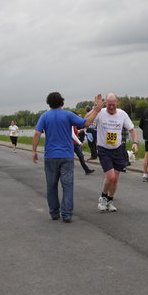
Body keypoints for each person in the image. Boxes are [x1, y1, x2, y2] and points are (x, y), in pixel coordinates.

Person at [32, 92, 102, 223]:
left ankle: (54, 213)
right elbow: (86, 123)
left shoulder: (44, 116)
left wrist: (34, 151)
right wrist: (96, 110)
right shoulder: (68, 115)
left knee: (51, 186)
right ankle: (67, 214)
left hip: (50, 156)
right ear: (62, 102)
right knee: (67, 185)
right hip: (66, 156)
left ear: (49, 103)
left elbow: (36, 133)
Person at [94, 93, 139, 212]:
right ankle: (103, 197)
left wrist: (135, 142)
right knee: (111, 176)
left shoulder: (122, 114)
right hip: (104, 149)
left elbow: (132, 129)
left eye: (113, 105)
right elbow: (87, 120)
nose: (111, 107)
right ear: (105, 103)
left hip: (118, 149)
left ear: (117, 102)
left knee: (115, 179)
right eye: (109, 105)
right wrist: (95, 109)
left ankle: (110, 200)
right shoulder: (100, 112)